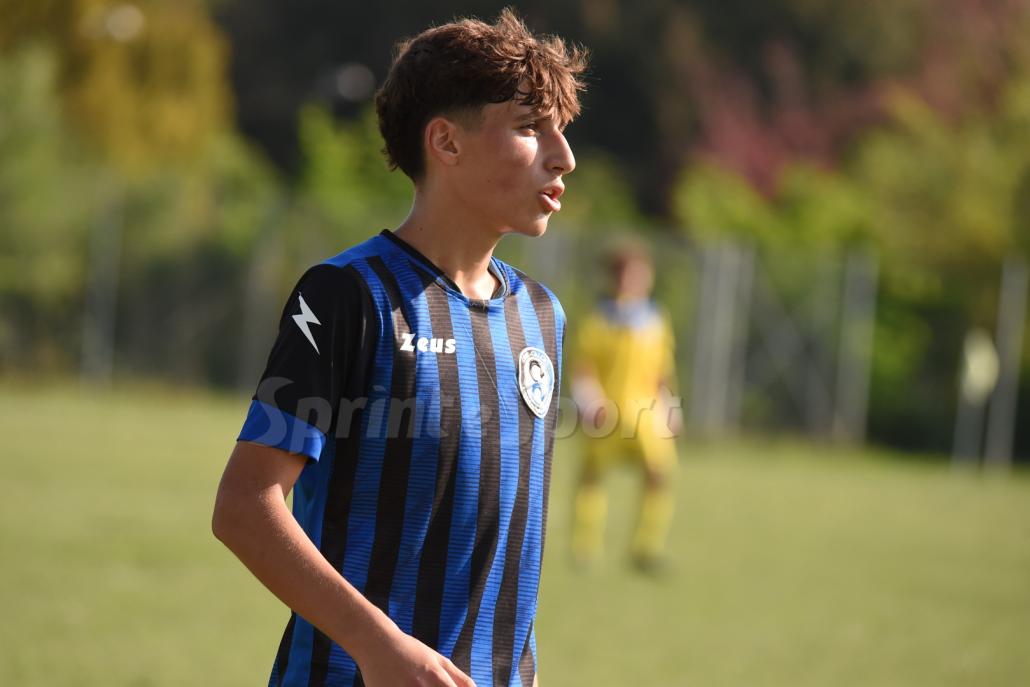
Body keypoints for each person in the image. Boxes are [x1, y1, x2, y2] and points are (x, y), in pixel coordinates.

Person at [211, 10, 586, 687]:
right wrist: (376, 645)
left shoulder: (541, 316)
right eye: (531, 127)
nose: (563, 156)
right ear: (446, 142)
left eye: (562, 129)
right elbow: (245, 505)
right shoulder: (348, 296)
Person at [571, 240, 680, 573]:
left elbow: (661, 371)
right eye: (627, 274)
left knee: (658, 475)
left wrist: (671, 407)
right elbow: (584, 366)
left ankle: (646, 547)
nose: (634, 280)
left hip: (646, 414)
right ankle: (585, 547)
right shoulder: (599, 318)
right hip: (608, 414)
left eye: (641, 273)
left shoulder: (656, 320)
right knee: (592, 476)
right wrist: (589, 400)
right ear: (613, 277)